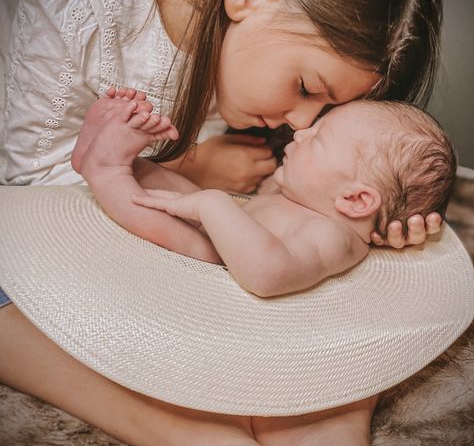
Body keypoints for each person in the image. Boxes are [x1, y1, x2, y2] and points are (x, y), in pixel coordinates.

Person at [0, 0, 446, 446]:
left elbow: (355, 179)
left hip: (172, 202)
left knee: (339, 275)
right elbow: (32, 194)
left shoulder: (277, 80)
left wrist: (382, 221)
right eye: (307, 89)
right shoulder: (81, 10)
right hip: (30, 192)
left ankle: (316, 421)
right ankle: (192, 438)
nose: (301, 125)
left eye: (328, 113)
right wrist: (194, 166)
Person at [75, 89, 456, 297]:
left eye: (318, 140)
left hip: (221, 264)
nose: (301, 132)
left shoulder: (334, 237)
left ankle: (106, 171)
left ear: (355, 200)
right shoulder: (312, 200)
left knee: (175, 223)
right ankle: (114, 154)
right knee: (167, 185)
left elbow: (268, 276)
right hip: (224, 227)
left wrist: (211, 205)